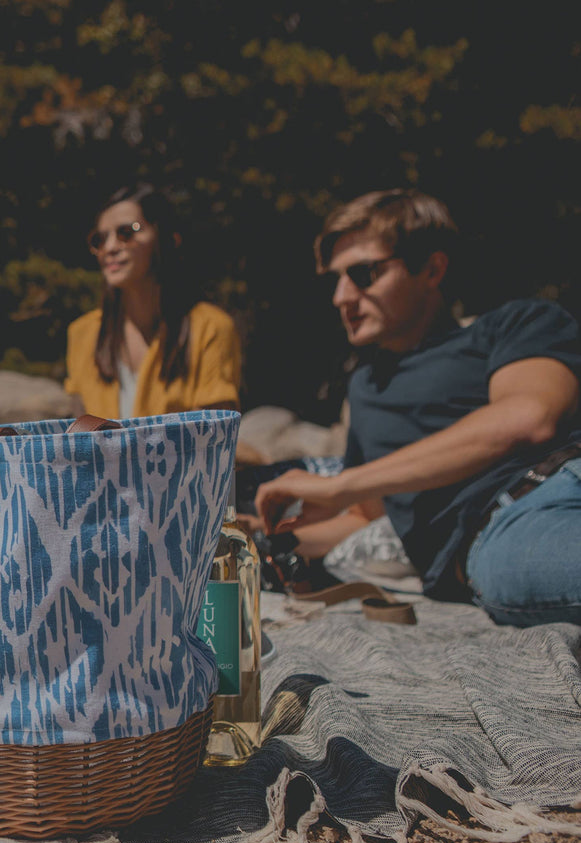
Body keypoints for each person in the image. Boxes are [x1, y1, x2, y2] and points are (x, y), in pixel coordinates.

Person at [254, 189, 581, 626]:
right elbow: (365, 516)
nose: (341, 297)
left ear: (432, 268)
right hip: (503, 531)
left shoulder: (513, 325)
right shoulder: (366, 388)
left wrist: (341, 484)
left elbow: (529, 416)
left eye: (363, 274)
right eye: (335, 279)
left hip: (558, 479)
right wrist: (255, 535)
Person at [64, 183, 242, 420]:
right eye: (99, 239)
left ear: (166, 238)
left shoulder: (210, 328)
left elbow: (215, 440)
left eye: (126, 232)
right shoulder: (82, 334)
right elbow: (80, 437)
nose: (110, 247)